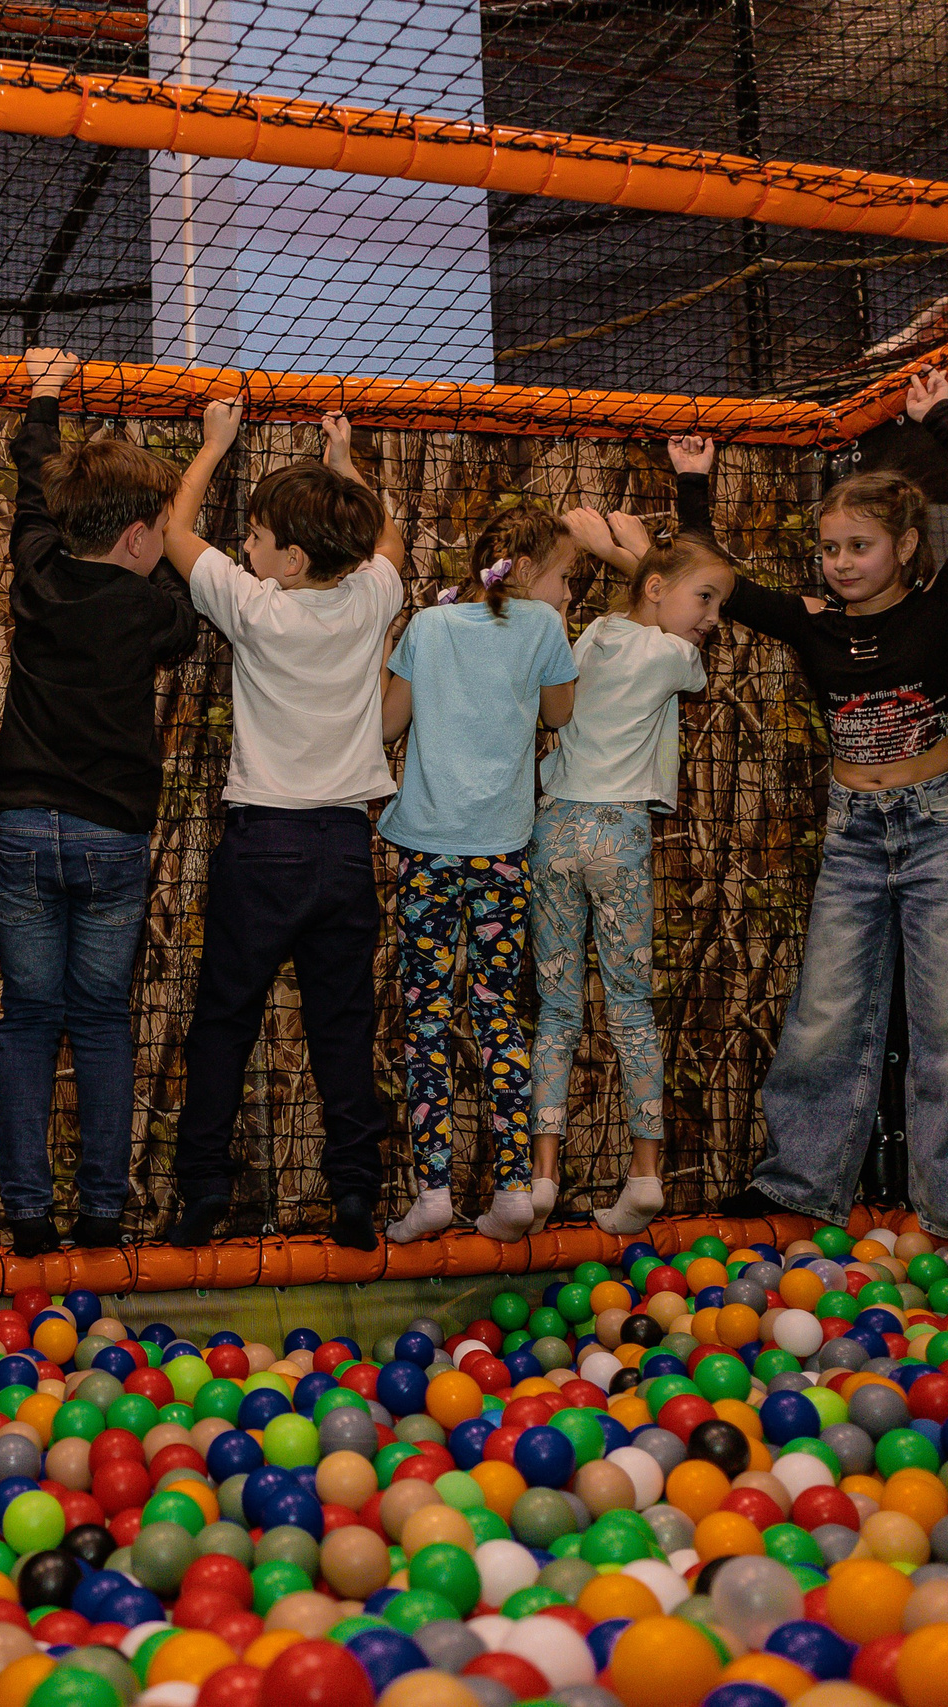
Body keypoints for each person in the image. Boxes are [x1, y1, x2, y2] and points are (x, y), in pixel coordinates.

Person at [689, 374, 948, 1251]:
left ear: (906, 545)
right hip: (855, 833)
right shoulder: (814, 625)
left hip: (939, 828)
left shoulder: (941, 607)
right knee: (826, 1012)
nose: (839, 562)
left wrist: (938, 416)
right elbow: (714, 581)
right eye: (830, 548)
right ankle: (801, 1188)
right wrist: (693, 485)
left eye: (859, 546)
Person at [160, 399, 404, 1251]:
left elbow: (176, 532)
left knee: (224, 1019)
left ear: (292, 559)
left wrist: (212, 446)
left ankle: (200, 1194)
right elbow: (388, 545)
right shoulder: (373, 595)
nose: (245, 550)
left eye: (257, 538)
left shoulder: (258, 606)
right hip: (342, 847)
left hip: (263, 845)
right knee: (344, 1027)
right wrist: (345, 456)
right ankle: (353, 1196)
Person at [0, 348, 196, 1255]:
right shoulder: (151, 607)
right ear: (142, 538)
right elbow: (189, 614)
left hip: (27, 825)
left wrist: (43, 395)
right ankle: (103, 1208)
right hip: (113, 836)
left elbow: (34, 494)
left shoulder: (35, 573)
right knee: (102, 1020)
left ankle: (28, 1211)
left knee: (31, 1018)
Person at [523, 516, 737, 1240]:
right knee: (631, 1010)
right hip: (617, 833)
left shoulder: (593, 635)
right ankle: (645, 1171)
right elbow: (677, 632)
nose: (710, 619)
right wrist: (630, 551)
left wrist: (635, 563)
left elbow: (572, 686)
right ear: (655, 587)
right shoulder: (676, 655)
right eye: (705, 598)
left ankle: (543, 1175)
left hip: (554, 828)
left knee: (556, 1009)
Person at [374, 505, 578, 1245]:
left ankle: (432, 1188)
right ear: (524, 570)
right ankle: (515, 1185)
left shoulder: (430, 628)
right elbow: (559, 712)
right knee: (498, 1014)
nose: (565, 594)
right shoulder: (545, 630)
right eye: (562, 578)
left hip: (427, 850)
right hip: (501, 852)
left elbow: (389, 727)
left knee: (426, 1016)